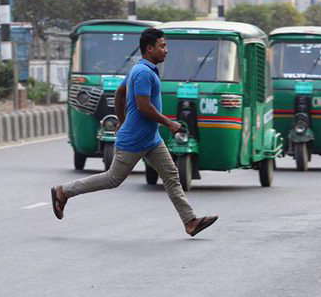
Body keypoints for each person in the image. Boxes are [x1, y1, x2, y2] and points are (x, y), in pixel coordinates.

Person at [51, 28, 218, 237]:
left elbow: (121, 92)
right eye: (162, 46)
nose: (166, 50)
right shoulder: (142, 73)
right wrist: (169, 123)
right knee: (112, 179)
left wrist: (121, 119)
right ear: (150, 49)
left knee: (171, 175)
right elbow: (143, 107)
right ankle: (63, 191)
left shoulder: (142, 70)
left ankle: (190, 221)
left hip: (150, 139)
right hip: (135, 140)